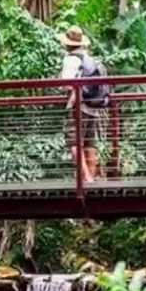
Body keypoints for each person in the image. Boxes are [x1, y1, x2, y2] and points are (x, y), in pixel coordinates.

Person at [59, 26, 108, 183]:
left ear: (67, 44)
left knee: (74, 142)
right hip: (93, 107)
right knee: (89, 143)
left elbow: (66, 84)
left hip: (78, 105)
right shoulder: (89, 59)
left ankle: (87, 180)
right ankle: (91, 179)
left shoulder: (71, 59)